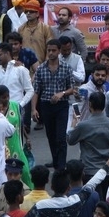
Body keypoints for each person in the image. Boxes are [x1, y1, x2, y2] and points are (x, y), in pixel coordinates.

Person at [32, 39, 77, 170]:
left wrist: (62, 93)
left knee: (61, 137)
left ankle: (61, 167)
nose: (51, 53)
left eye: (53, 50)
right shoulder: (41, 69)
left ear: (59, 51)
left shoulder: (66, 68)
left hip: (61, 106)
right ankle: (56, 161)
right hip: (46, 105)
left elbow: (72, 88)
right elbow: (36, 90)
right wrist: (34, 109)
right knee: (51, 136)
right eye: (49, 50)